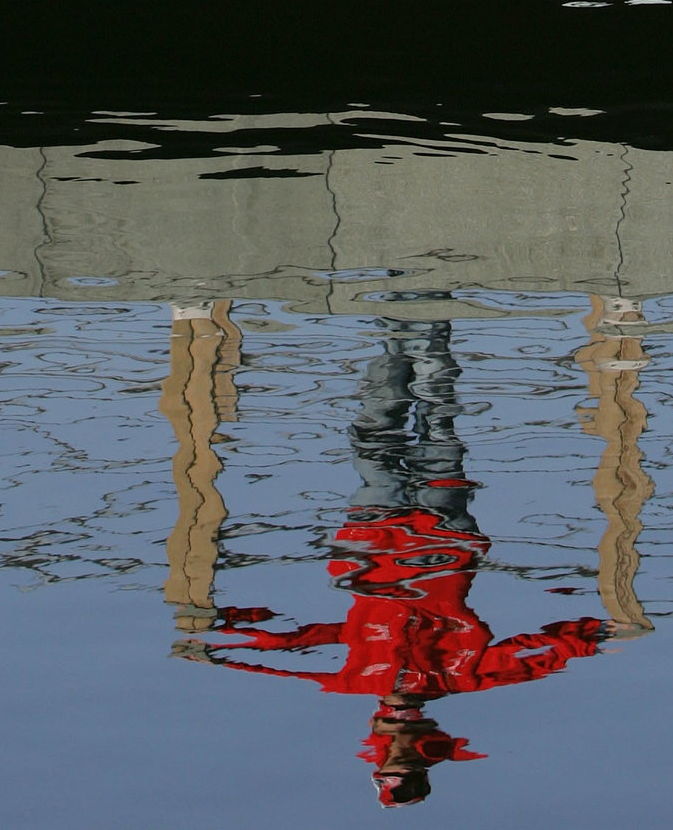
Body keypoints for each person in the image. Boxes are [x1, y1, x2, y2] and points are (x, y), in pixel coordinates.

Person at [183, 321, 610, 807]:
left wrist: (223, 636)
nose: (401, 730)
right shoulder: (462, 676)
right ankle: (429, 328)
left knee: (375, 437)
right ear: (429, 739)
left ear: (377, 735)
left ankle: (395, 331)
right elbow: (535, 655)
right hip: (442, 539)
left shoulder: (355, 678)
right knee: (439, 424)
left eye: (394, 743)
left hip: (372, 536)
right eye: (412, 747)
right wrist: (593, 637)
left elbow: (294, 647)